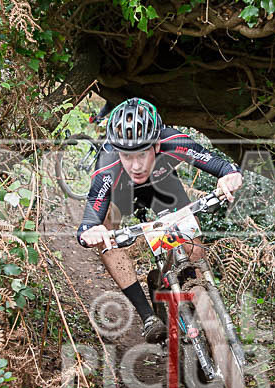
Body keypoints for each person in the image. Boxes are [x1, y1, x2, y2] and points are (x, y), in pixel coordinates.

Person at [77, 98, 243, 343]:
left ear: (156, 145)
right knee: (106, 238)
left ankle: (172, 282)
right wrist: (91, 232)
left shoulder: (171, 141)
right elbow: (89, 221)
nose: (135, 165)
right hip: (120, 194)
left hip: (161, 185)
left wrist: (229, 177)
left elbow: (219, 165)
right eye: (127, 155)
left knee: (193, 250)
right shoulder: (108, 165)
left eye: (142, 153)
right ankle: (148, 317)